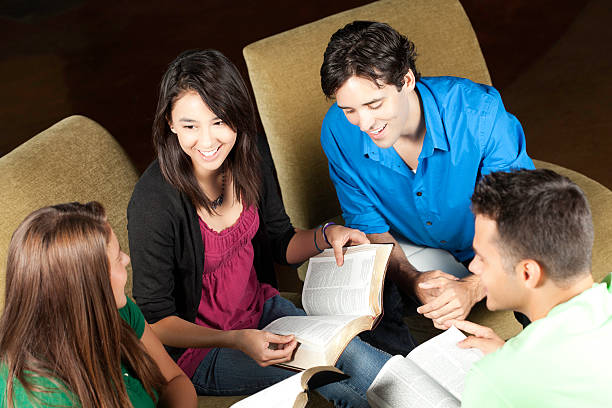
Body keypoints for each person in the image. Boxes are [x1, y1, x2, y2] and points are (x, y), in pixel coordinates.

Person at [127, 49, 389, 407]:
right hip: (202, 350)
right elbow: (156, 320)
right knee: (337, 388)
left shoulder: (251, 157)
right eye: (190, 126)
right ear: (170, 124)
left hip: (263, 310)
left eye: (219, 121)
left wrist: (326, 235)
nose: (207, 141)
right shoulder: (154, 201)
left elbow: (280, 241)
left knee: (371, 365)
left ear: (237, 116)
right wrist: (236, 339)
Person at [319, 21, 534, 337]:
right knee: (365, 282)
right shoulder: (338, 131)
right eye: (349, 109)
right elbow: (368, 225)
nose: (363, 123)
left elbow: (520, 216)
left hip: (494, 244)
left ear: (406, 80)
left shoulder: (479, 112)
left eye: (374, 104)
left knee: (543, 287)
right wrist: (411, 278)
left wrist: (474, 287)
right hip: (415, 247)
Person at [0, 202, 196, 408]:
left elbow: (175, 381)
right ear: (88, 285)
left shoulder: (119, 310)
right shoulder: (42, 397)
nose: (127, 259)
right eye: (118, 257)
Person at [451, 169, 612, 407]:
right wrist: (512, 355)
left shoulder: (492, 379)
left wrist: (507, 367)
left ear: (528, 273)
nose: (473, 267)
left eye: (482, 258)